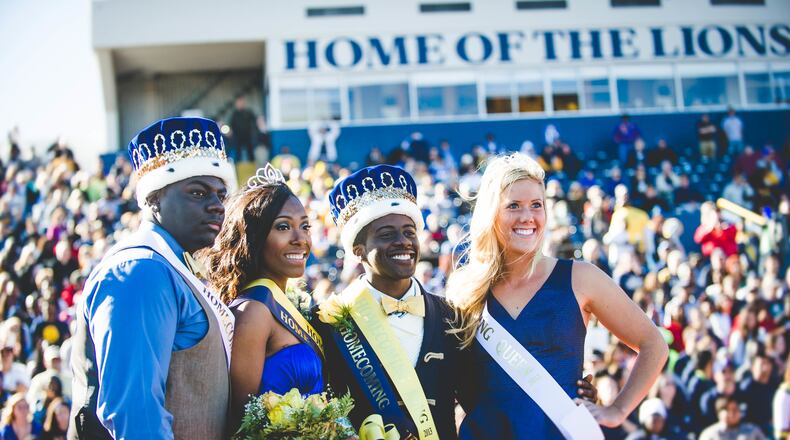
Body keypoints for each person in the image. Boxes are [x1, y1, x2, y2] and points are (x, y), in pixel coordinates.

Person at [319, 164, 599, 439]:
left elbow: (490, 392)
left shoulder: (452, 315)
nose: (403, 242)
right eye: (387, 234)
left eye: (409, 231)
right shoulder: (328, 322)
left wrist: (568, 389)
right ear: (357, 251)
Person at [447, 153, 668, 439]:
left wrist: (617, 410)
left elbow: (653, 343)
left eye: (536, 205)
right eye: (513, 205)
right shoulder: (465, 290)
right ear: (492, 213)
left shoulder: (580, 278)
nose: (527, 216)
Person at [68, 117, 237, 439]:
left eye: (221, 195)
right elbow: (133, 412)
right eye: (199, 193)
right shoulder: (140, 270)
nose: (217, 206)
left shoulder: (169, 265)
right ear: (154, 198)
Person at [201, 164, 322, 432]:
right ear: (254, 238)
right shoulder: (254, 310)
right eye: (283, 227)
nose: (300, 239)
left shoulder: (286, 302)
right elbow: (243, 424)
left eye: (305, 226)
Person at [699, 396, 766, 440]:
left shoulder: (752, 431)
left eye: (735, 409)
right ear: (719, 413)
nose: (732, 414)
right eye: (727, 410)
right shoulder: (710, 434)